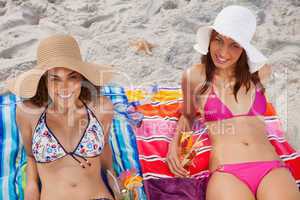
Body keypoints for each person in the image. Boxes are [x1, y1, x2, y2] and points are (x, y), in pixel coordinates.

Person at [166, 5, 300, 200]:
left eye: (234, 45)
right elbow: (187, 116)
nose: (223, 52)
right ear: (210, 39)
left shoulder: (261, 74)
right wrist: (173, 145)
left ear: (245, 48)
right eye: (218, 40)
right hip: (227, 172)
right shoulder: (194, 76)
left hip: (272, 168)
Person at [7, 35, 116, 200]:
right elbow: (30, 155)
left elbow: (105, 146)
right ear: (43, 81)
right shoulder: (28, 113)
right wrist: (31, 187)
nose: (64, 88)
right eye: (55, 79)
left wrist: (116, 183)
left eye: (72, 77)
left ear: (82, 77)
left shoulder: (101, 108)